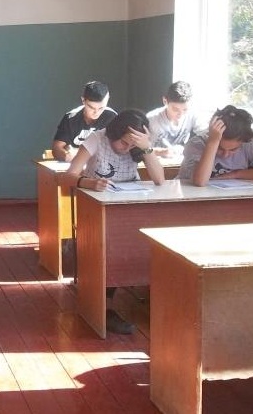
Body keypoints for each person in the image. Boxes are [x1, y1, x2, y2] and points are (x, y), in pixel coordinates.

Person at [58, 110, 164, 334]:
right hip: (98, 207)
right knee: (111, 251)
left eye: (132, 145)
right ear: (114, 133)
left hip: (129, 205)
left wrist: (146, 147)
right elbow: (67, 177)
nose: (126, 148)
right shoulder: (97, 139)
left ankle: (152, 297)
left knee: (147, 246)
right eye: (123, 143)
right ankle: (105, 308)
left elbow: (159, 179)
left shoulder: (139, 145)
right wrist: (89, 183)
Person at [178, 105, 253, 186]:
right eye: (220, 148)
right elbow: (200, 181)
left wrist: (236, 174)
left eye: (233, 149)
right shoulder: (196, 144)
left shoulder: (247, 145)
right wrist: (212, 143)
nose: (225, 155)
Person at [52, 81, 118, 162]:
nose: (96, 112)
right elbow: (57, 148)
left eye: (101, 108)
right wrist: (67, 156)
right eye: (91, 107)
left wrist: (81, 155)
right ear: (83, 100)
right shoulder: (71, 118)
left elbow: (117, 149)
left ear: (107, 100)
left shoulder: (112, 118)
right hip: (74, 164)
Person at [146, 81, 201, 157]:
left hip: (180, 161)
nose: (181, 114)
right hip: (155, 161)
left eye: (185, 109)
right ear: (165, 101)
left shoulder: (192, 115)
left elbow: (205, 136)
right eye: (175, 109)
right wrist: (160, 152)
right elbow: (142, 151)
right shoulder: (151, 119)